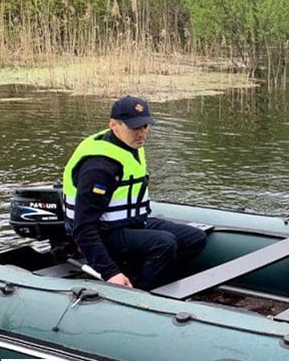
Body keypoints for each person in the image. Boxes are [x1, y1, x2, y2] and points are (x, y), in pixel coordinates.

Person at [62, 95, 207, 290]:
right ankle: (143, 294)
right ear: (114, 125)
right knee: (164, 243)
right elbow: (83, 227)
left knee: (195, 238)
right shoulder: (100, 167)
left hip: (130, 223)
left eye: (145, 126)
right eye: (135, 127)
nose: (142, 133)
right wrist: (110, 272)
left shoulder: (129, 145)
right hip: (104, 231)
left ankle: (158, 281)